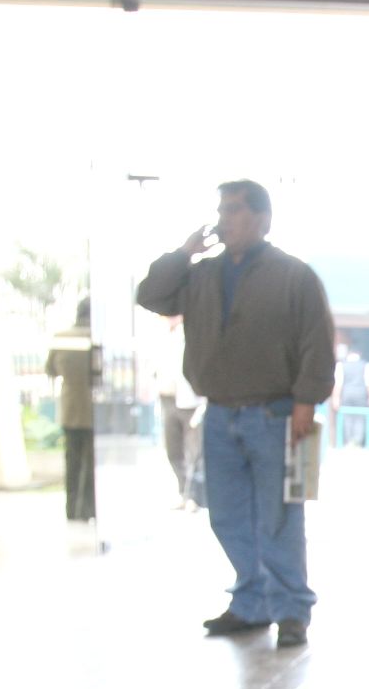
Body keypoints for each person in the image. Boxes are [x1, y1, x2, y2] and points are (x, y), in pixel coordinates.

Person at [137, 179, 333, 648]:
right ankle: (251, 602)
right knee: (226, 515)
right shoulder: (200, 275)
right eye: (221, 210)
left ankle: (290, 609)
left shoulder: (293, 275)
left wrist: (306, 402)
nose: (224, 219)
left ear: (262, 220)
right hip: (220, 415)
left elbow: (316, 342)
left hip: (277, 415)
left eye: (234, 211)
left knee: (279, 517)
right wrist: (184, 252)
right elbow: (150, 294)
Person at [45, 297, 95, 521]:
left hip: (70, 408)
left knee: (72, 463)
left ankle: (72, 511)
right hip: (94, 410)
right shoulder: (94, 338)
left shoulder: (62, 338)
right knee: (91, 464)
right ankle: (88, 510)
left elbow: (50, 369)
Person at [151, 313, 203, 509]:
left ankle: (192, 495)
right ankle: (182, 490)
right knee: (173, 448)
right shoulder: (159, 335)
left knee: (193, 450)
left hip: (190, 400)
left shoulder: (191, 332)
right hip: (167, 397)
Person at [333, 339, 369, 448]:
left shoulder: (341, 365)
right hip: (361, 395)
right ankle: (357, 442)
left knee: (347, 417)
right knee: (360, 418)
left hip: (346, 395)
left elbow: (338, 383)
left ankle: (348, 442)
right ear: (360, 354)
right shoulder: (366, 365)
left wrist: (336, 398)